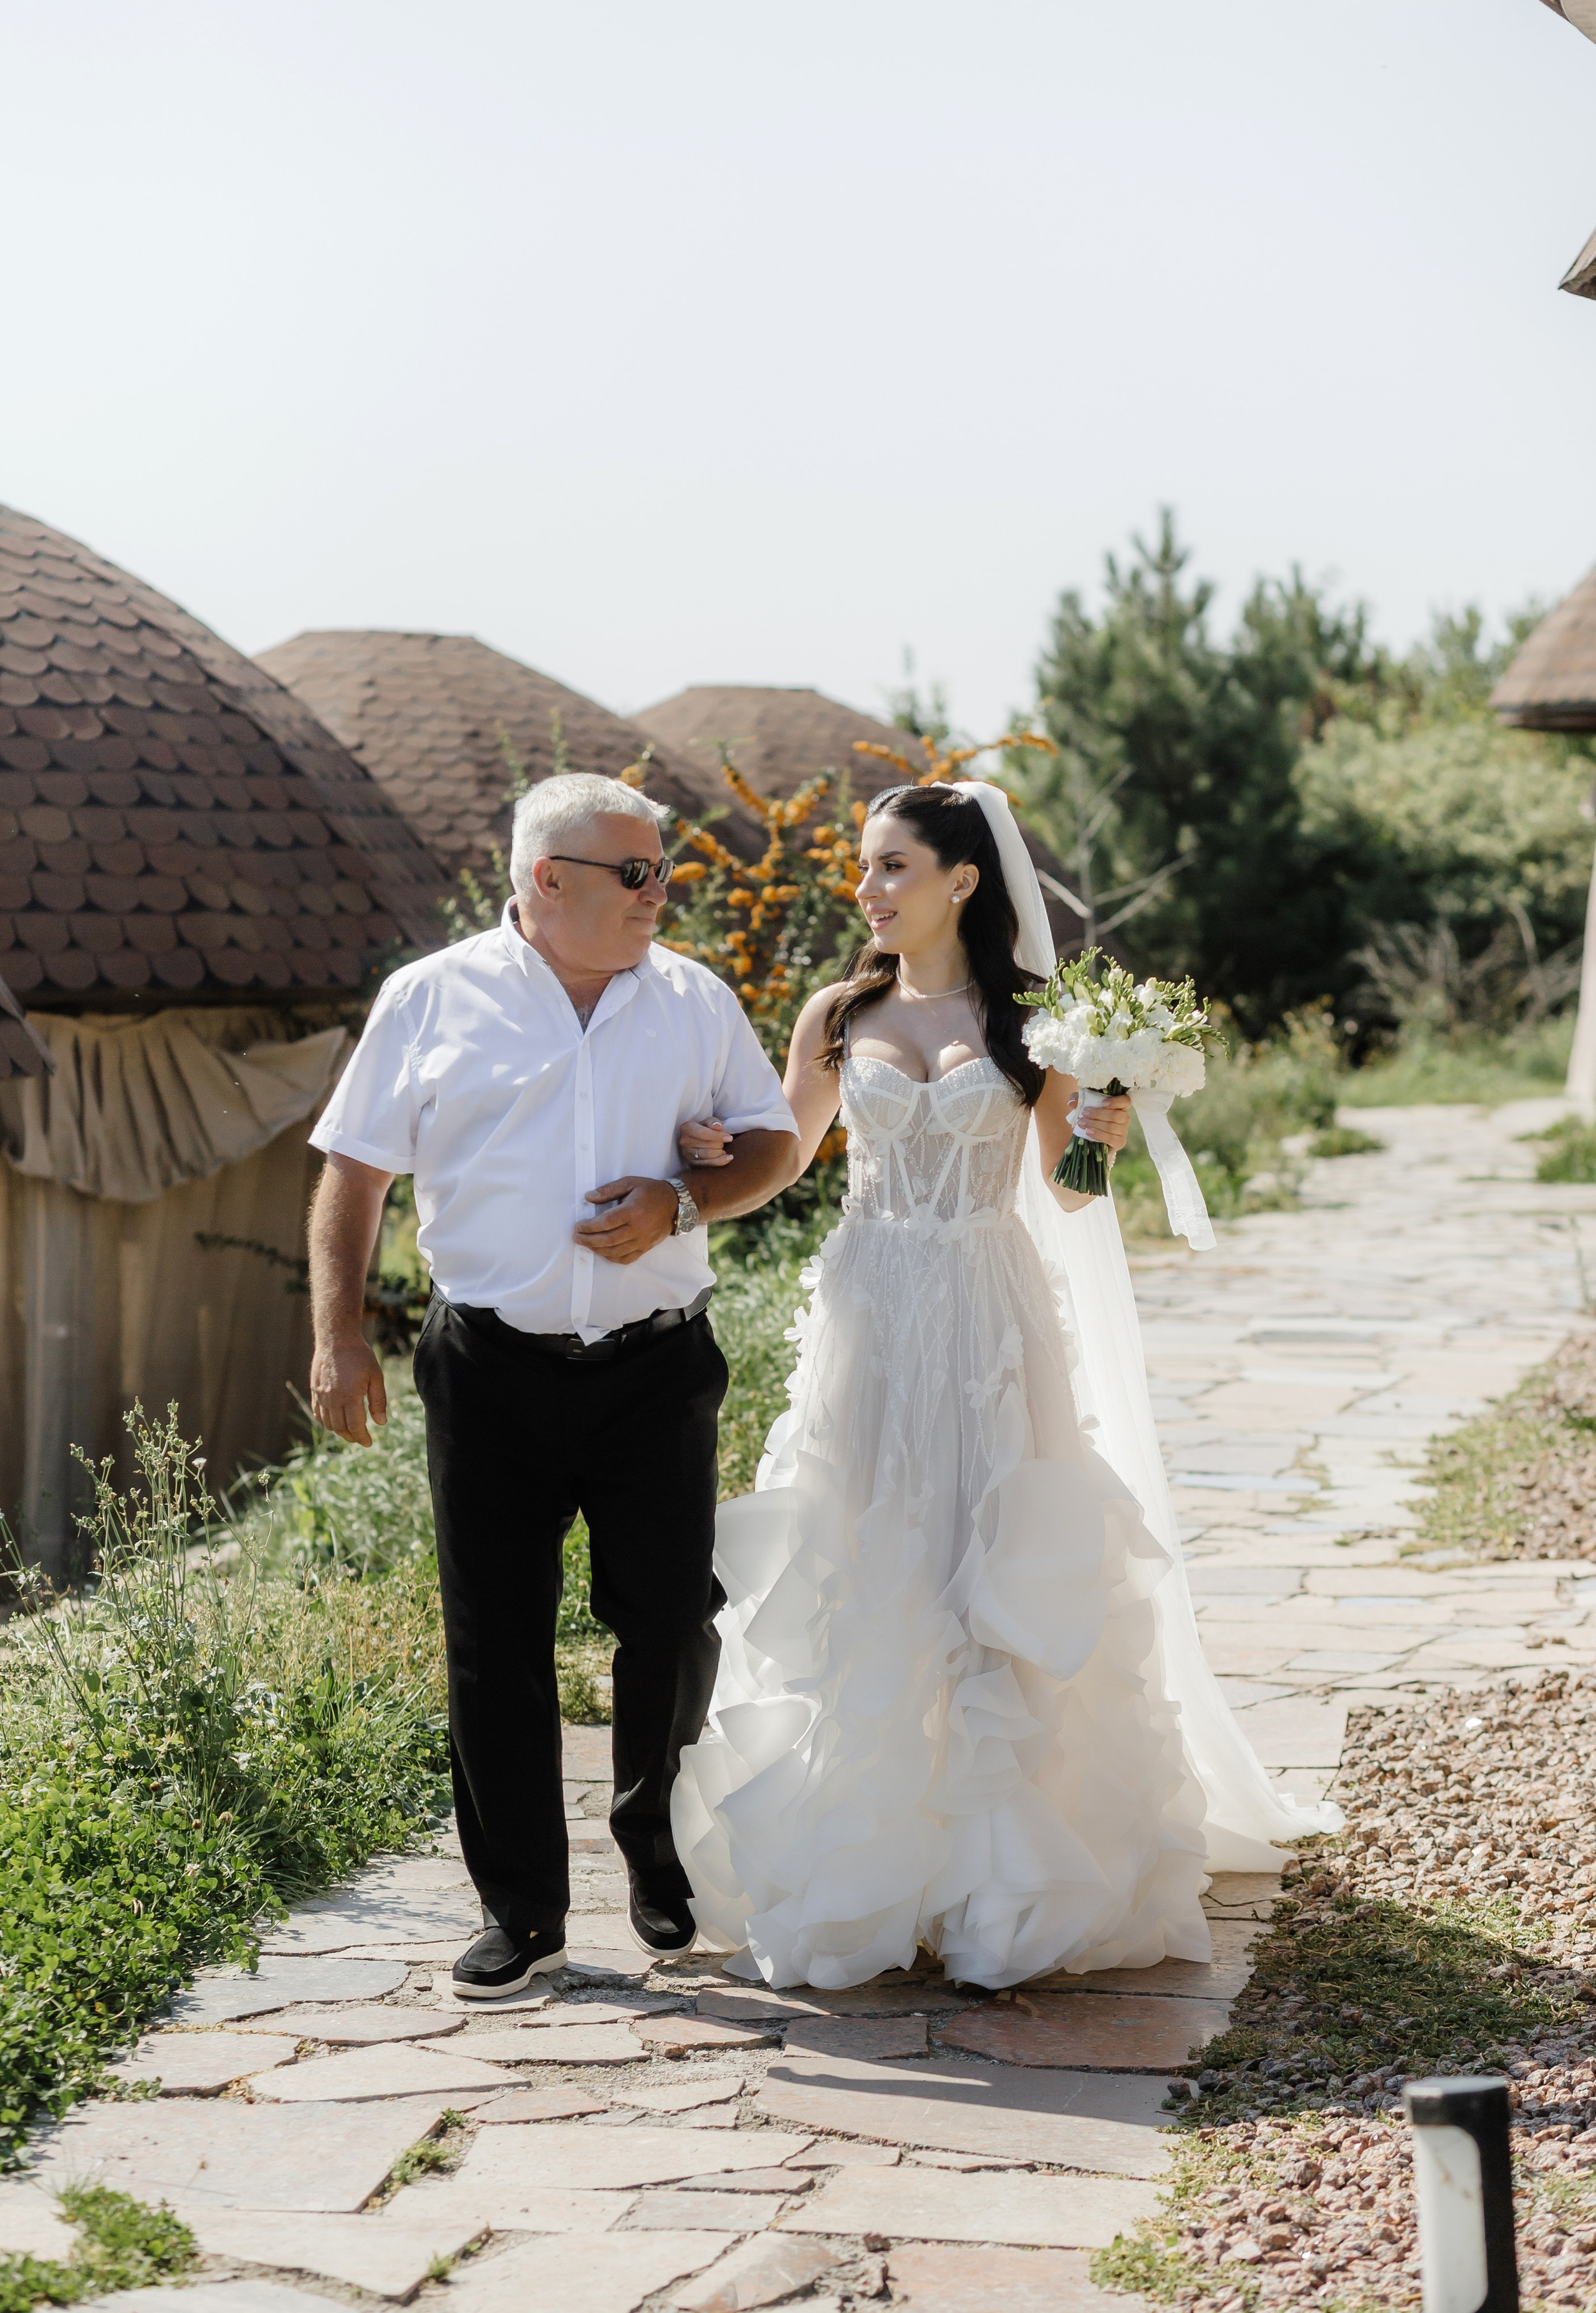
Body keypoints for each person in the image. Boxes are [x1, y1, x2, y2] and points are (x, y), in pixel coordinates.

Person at [671, 778, 1338, 1992]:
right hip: (868, 1317)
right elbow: (781, 1152)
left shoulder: (1030, 1019)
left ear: (961, 879)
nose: (864, 889)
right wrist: (699, 1168)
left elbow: (1068, 1186)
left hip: (987, 1316)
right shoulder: (837, 1009)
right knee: (865, 1565)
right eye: (864, 867)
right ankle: (866, 1858)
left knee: (986, 1573)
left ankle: (995, 1879)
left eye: (889, 866)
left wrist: (1103, 1125)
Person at [305, 772, 799, 1999]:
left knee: (672, 1616)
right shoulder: (428, 999)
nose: (659, 894)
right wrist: (338, 1338)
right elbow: (353, 1175)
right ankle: (521, 1911)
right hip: (489, 1371)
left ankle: (656, 1838)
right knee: (497, 1646)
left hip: (656, 1368)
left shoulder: (692, 997)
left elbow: (776, 1142)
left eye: (663, 873)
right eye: (635, 873)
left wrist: (686, 1196)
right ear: (546, 880)